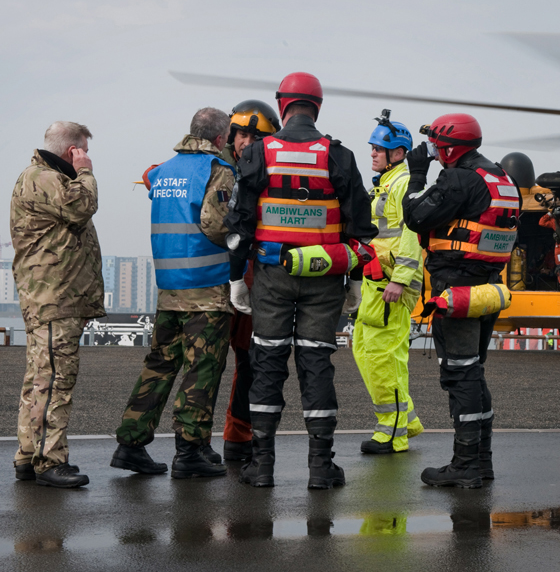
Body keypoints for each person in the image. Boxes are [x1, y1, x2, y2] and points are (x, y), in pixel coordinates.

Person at [224, 72, 377, 489]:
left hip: (271, 277)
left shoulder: (258, 152)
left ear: (284, 105)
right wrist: (358, 280)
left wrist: (237, 278)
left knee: (267, 363)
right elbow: (360, 226)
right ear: (317, 107)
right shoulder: (339, 156)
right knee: (316, 364)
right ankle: (320, 466)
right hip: (325, 277)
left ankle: (262, 464)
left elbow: (238, 224)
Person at [111, 108, 235, 479]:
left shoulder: (164, 170)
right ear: (219, 139)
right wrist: (241, 232)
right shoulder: (217, 170)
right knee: (202, 368)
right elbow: (215, 225)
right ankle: (190, 450)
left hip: (169, 290)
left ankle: (130, 444)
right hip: (206, 290)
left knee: (160, 366)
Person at [403, 113, 521, 488]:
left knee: (459, 373)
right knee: (473, 370)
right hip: (486, 289)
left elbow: (416, 216)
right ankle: (480, 462)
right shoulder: (501, 178)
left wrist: (418, 175)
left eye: (438, 146)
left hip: (456, 289)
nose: (435, 152)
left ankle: (466, 464)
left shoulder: (458, 178)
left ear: (451, 147)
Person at [11, 121, 105, 488]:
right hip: (55, 297)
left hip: (51, 298)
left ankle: (27, 455)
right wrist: (85, 173)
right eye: (82, 150)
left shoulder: (39, 177)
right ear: (73, 150)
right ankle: (50, 460)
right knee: (54, 381)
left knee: (39, 379)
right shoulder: (46, 178)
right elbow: (83, 207)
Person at [352, 110, 425, 455]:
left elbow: (410, 233)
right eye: (372, 148)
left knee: (384, 356)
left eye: (378, 149)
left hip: (391, 285)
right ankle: (405, 420)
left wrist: (400, 279)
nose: (372, 153)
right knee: (363, 350)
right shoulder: (385, 182)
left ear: (398, 153)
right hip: (374, 280)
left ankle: (392, 434)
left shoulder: (403, 184)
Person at [219, 100, 281, 462]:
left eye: (256, 137)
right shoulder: (217, 167)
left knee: (250, 362)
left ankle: (237, 438)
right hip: (215, 283)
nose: (247, 142)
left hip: (253, 281)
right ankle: (192, 446)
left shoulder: (273, 174)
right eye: (242, 133)